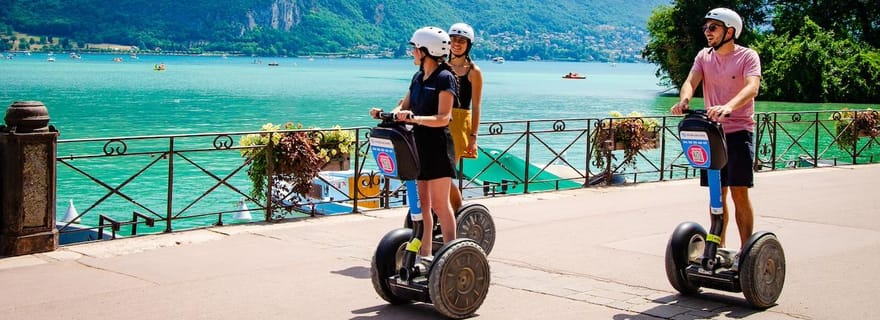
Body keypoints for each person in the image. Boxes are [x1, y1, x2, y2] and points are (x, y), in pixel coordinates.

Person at [670, 8, 761, 250]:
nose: (707, 32)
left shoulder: (747, 57)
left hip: (739, 132)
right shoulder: (704, 56)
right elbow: (691, 81)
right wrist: (684, 100)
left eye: (713, 27)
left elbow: (752, 87)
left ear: (730, 31)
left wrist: (729, 107)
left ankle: (746, 252)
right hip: (712, 134)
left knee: (739, 192)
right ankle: (717, 250)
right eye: (706, 28)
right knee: (716, 195)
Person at [370, 26, 458, 263]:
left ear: (425, 51)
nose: (412, 53)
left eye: (414, 49)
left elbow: (444, 117)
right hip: (417, 146)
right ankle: (425, 255)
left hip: (438, 148)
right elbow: (405, 105)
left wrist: (414, 118)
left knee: (441, 205)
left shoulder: (444, 78)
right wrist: (386, 113)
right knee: (423, 206)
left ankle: (451, 256)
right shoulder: (418, 77)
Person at [446, 22, 484, 212]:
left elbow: (476, 106)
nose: (456, 44)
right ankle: (445, 212)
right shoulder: (441, 66)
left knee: (445, 175)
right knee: (436, 174)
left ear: (468, 44)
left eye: (461, 40)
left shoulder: (473, 71)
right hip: (439, 120)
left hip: (460, 124)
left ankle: (458, 211)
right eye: (453, 39)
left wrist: (473, 137)